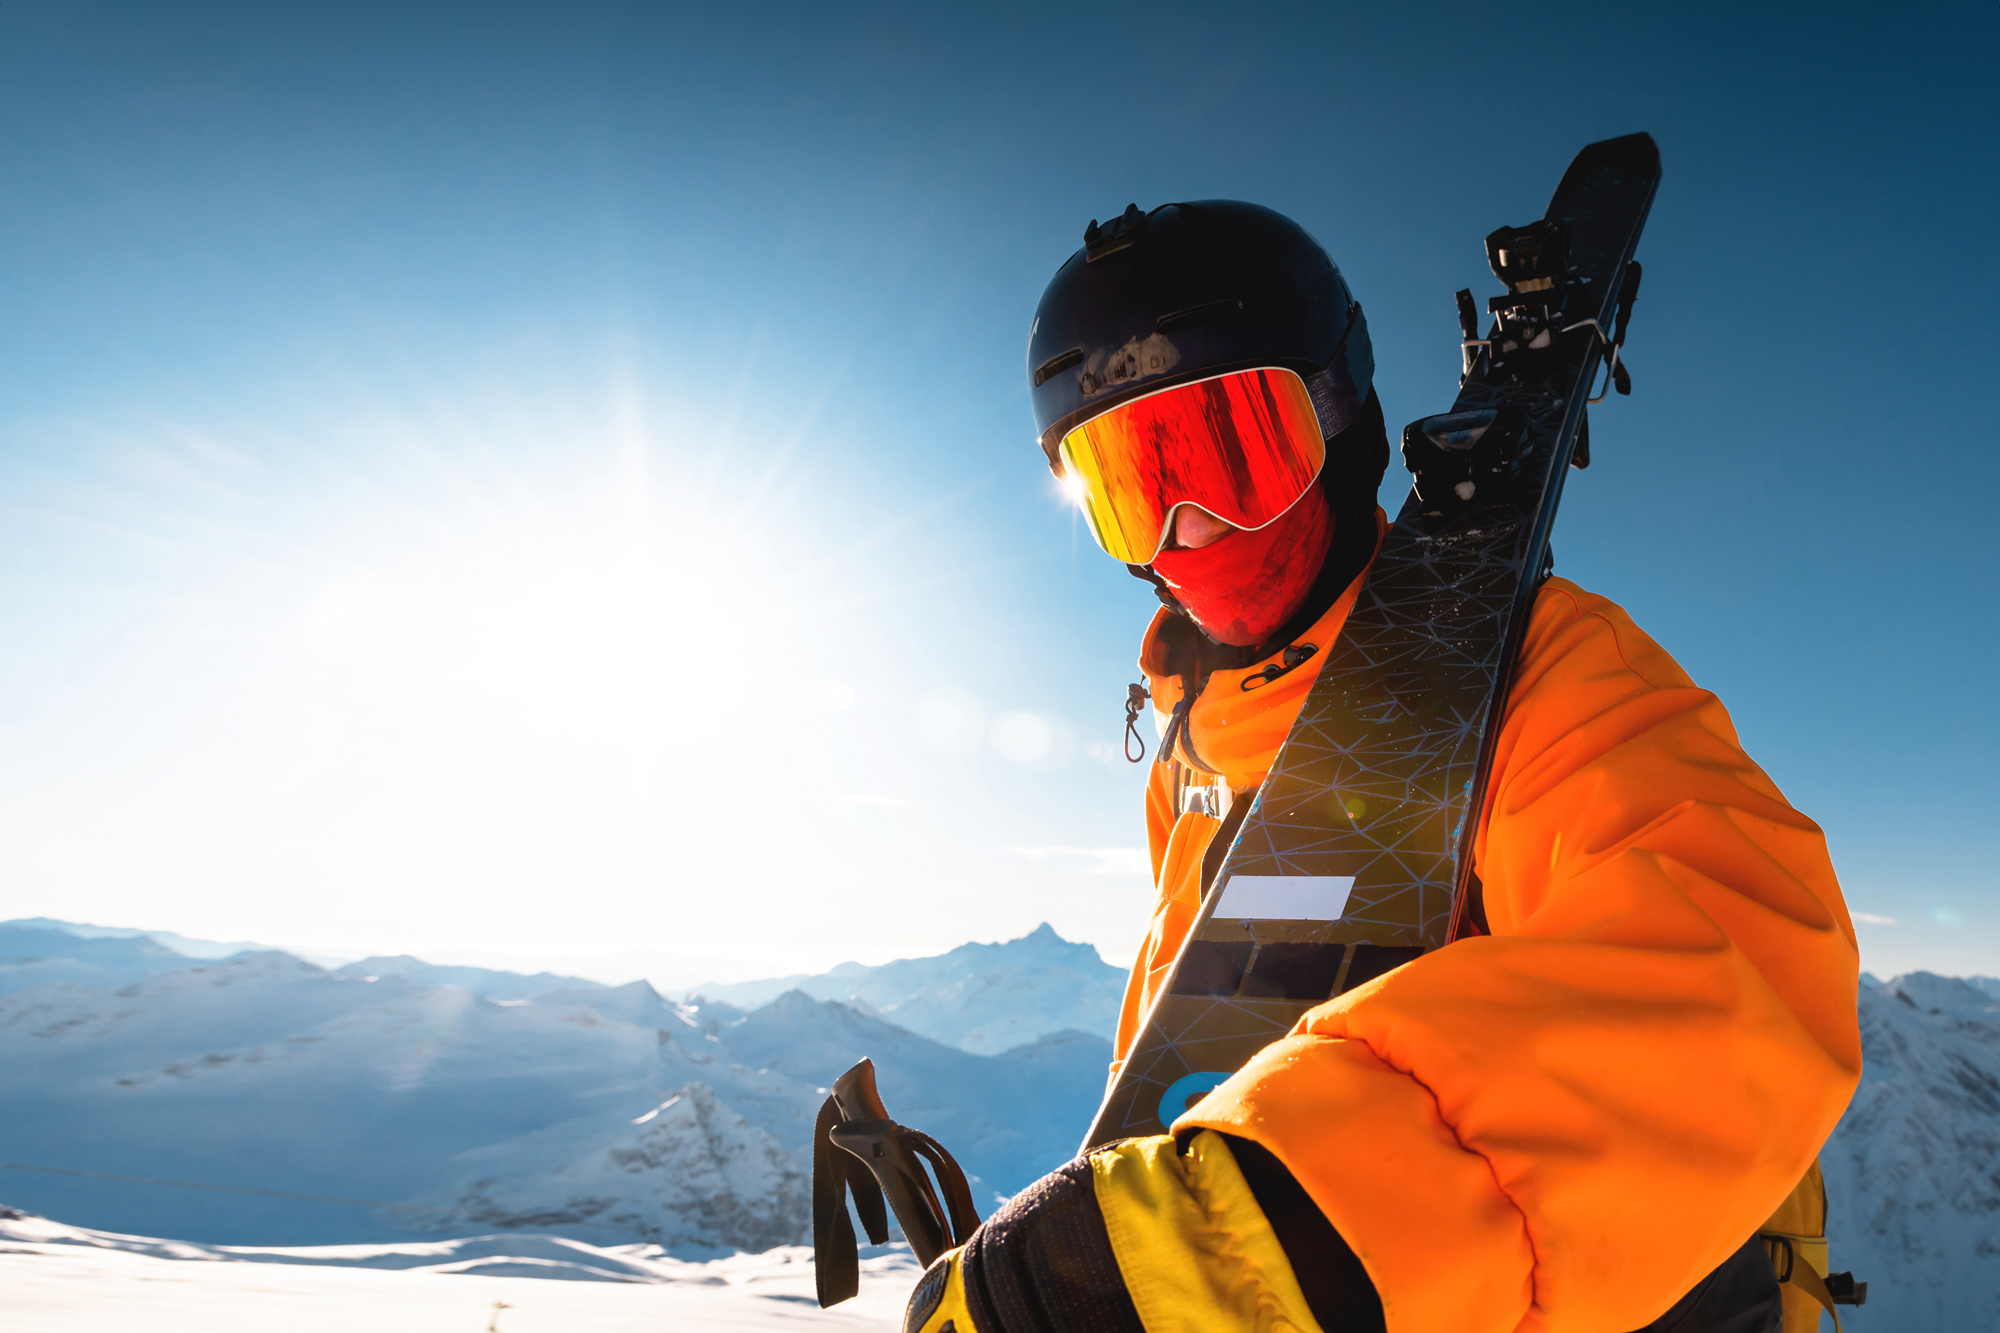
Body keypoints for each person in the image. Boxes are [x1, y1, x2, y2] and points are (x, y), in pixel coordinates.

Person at [901, 202, 1862, 1333]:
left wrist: (1246, 1240)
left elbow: (1738, 955)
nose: (1188, 530)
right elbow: (1197, 1027)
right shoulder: (1189, 752)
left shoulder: (1535, 671)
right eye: (1131, 488)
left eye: (1232, 454)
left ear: (1340, 419)